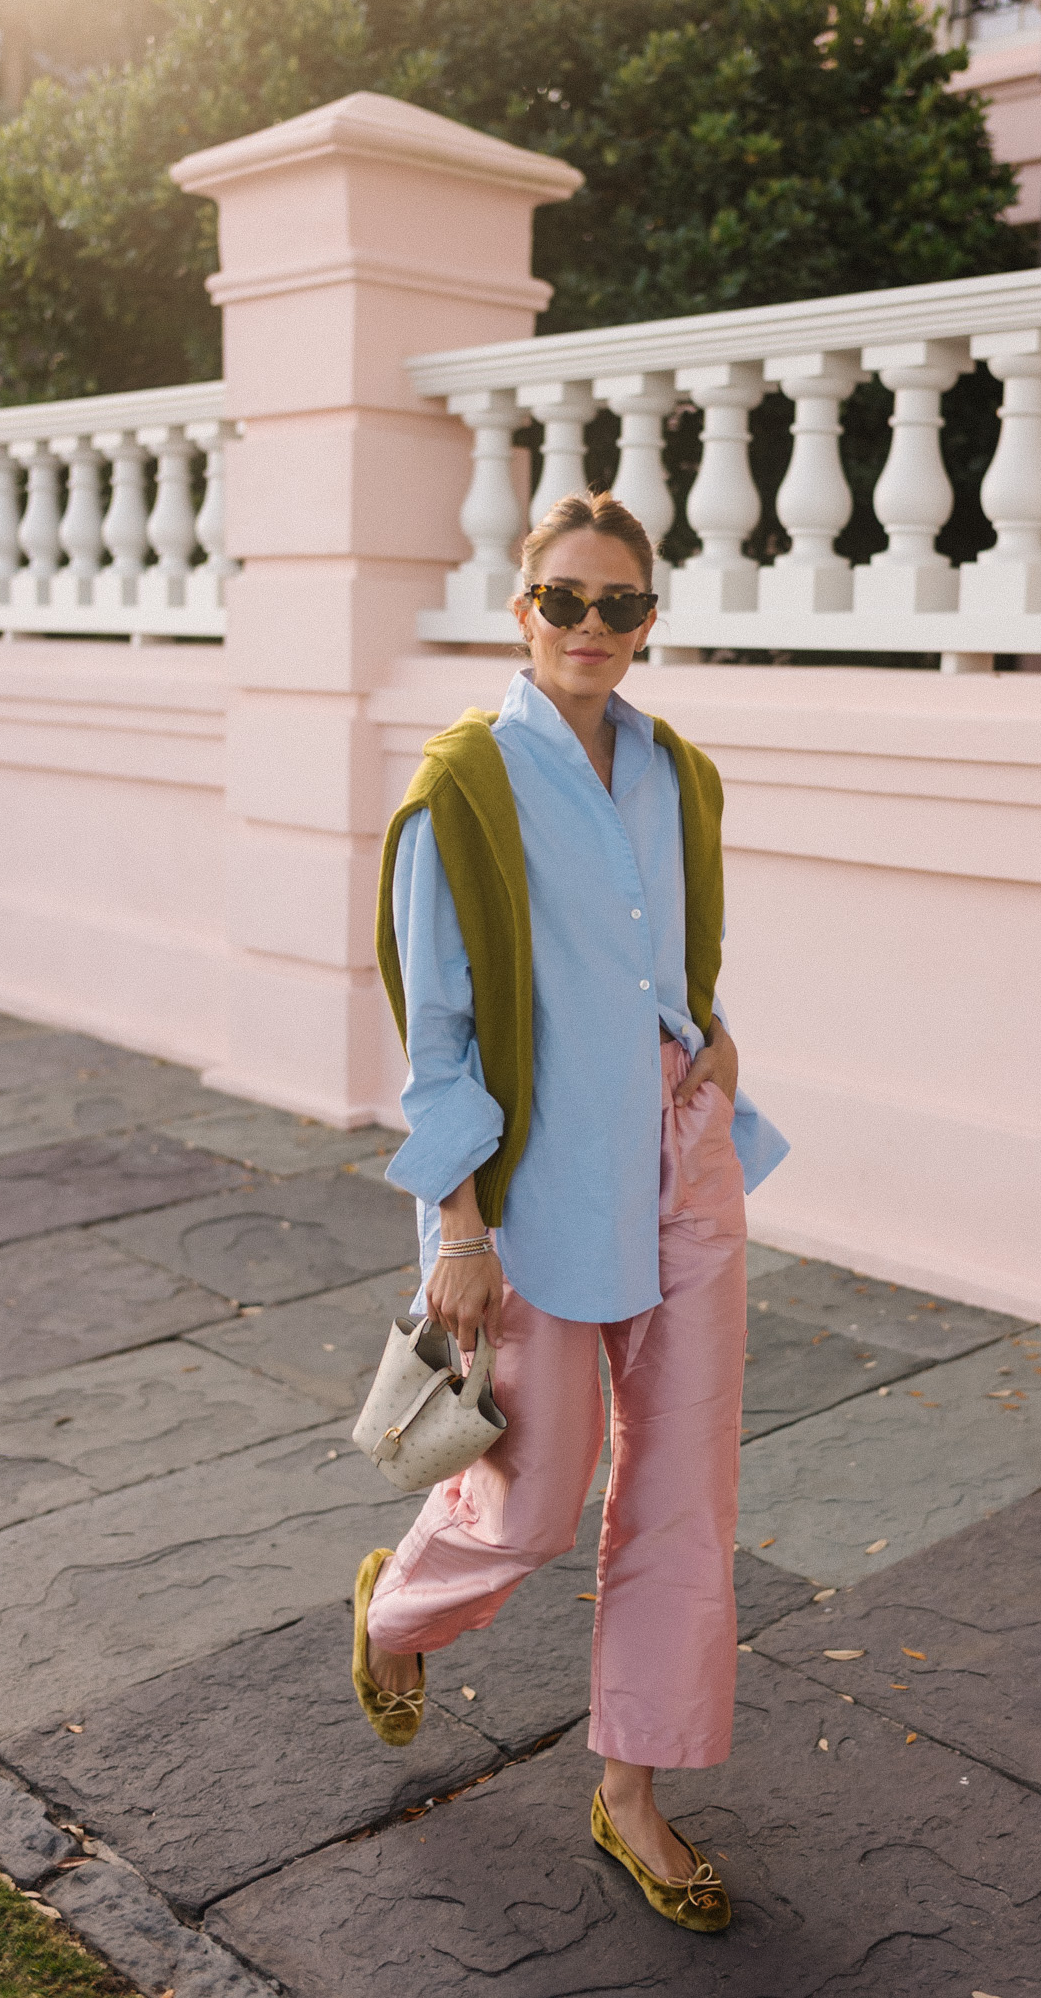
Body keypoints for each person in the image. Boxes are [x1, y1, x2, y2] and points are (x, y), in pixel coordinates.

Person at [352, 489, 788, 1932]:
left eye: (619, 605)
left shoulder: (678, 773)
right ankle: (399, 1609)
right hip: (534, 1195)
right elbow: (439, 1041)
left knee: (685, 1500)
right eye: (564, 601)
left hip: (681, 1166)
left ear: (648, 621)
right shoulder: (465, 787)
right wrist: (459, 1230)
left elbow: (668, 955)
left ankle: (634, 1792)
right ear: (519, 610)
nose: (590, 628)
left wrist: (711, 1036)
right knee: (536, 1502)